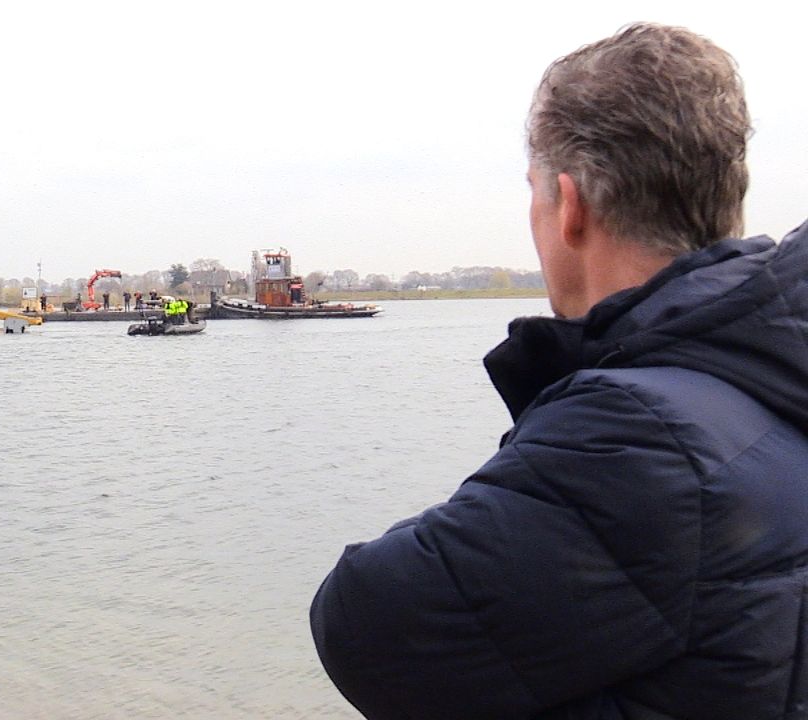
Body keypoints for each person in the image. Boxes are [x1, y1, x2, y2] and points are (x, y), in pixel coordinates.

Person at [310, 23, 808, 719]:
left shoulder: (639, 436)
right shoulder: (773, 373)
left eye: (534, 192)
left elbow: (365, 623)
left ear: (569, 206)